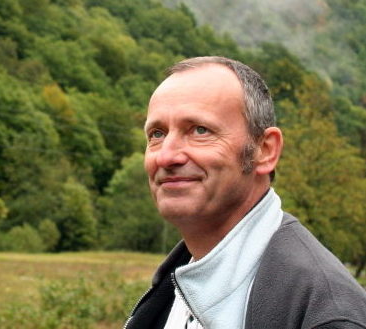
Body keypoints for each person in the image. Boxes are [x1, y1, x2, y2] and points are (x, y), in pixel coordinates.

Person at [124, 56, 366, 329]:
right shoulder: (174, 288)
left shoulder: (327, 315)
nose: (166, 156)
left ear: (265, 150)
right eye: (157, 134)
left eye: (200, 130)